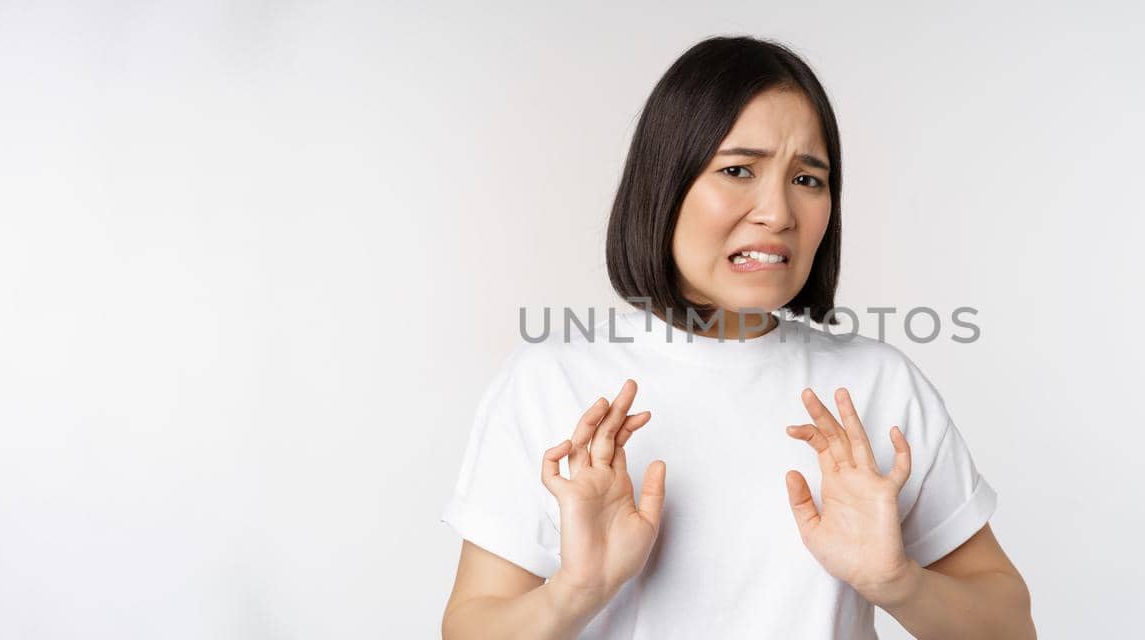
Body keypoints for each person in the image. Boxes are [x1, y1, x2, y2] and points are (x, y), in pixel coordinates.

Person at [439, 35, 1036, 639]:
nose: (778, 212)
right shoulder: (554, 382)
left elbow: (1011, 626)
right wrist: (576, 592)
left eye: (808, 179)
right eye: (737, 170)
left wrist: (897, 581)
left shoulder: (876, 384)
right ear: (664, 185)